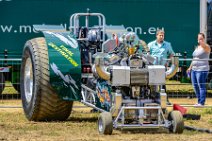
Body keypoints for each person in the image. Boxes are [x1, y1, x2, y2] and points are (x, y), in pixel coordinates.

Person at [148, 29, 175, 105]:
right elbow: (147, 54)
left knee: (162, 84)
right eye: (160, 35)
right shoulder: (150, 44)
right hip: (152, 68)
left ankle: (165, 100)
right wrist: (150, 62)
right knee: (152, 84)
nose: (161, 37)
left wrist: (168, 62)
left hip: (162, 68)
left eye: (162, 35)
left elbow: (172, 54)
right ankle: (152, 100)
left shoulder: (167, 45)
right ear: (156, 36)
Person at [187, 33, 211, 107]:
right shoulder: (197, 47)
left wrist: (202, 43)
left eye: (201, 38)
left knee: (201, 86)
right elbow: (194, 58)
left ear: (204, 39)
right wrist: (190, 67)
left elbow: (204, 46)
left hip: (202, 69)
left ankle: (201, 102)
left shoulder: (206, 47)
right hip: (194, 69)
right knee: (195, 86)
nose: (199, 40)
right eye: (198, 38)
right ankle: (199, 101)